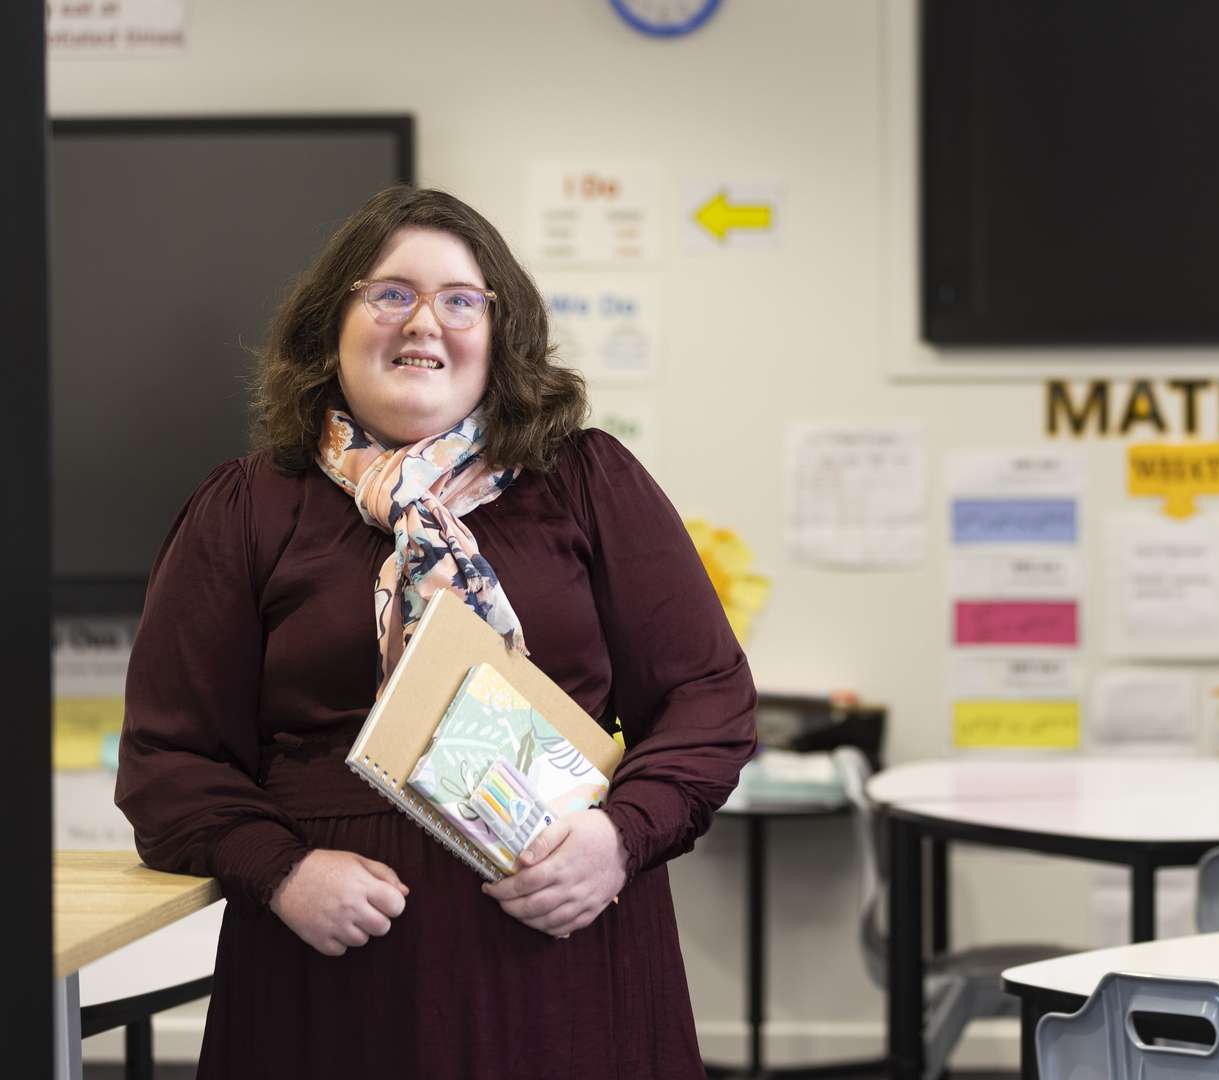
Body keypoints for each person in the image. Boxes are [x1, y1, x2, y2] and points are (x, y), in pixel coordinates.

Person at [114, 185, 757, 1079]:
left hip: (568, 953)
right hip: (329, 979)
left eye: (461, 300)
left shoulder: (588, 481)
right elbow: (167, 757)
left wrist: (621, 840)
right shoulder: (246, 509)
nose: (425, 324)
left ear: (500, 332)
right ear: (329, 324)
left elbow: (708, 699)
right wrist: (280, 874)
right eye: (390, 294)